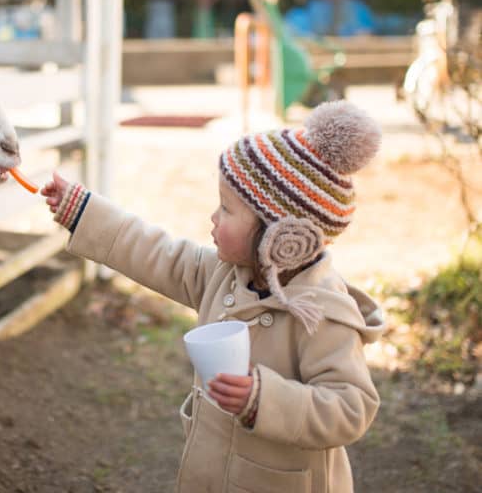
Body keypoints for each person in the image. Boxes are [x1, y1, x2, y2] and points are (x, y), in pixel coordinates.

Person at [40, 100, 386, 493]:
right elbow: (157, 253)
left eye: (226, 208)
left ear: (281, 236)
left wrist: (264, 399)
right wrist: (83, 211)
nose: (213, 217)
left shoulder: (321, 313)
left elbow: (351, 406)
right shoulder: (225, 275)